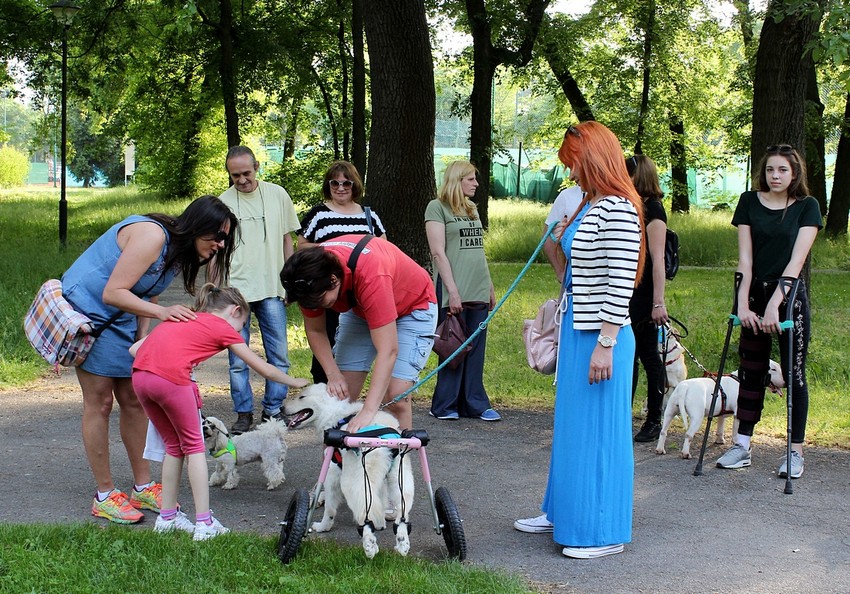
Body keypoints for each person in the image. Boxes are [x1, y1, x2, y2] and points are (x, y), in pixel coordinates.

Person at [61, 195, 237, 524]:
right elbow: (113, 291)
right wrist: (161, 314)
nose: (220, 244)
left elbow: (147, 290)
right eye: (218, 235)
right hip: (90, 316)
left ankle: (142, 486)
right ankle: (104, 494)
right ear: (198, 226)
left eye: (225, 238)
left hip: (121, 320)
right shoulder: (152, 235)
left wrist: (142, 337)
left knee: (133, 400)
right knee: (99, 402)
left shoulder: (176, 252)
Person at [514, 122, 644, 559]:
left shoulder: (619, 209)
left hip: (600, 336)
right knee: (571, 427)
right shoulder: (591, 205)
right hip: (575, 329)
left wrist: (605, 342)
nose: (570, 175)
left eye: (573, 165)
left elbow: (622, 280)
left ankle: (602, 530)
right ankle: (562, 510)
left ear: (593, 160)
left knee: (599, 434)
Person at [130, 284, 308, 540]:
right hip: (173, 382)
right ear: (235, 311)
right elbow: (264, 368)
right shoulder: (221, 326)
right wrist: (295, 383)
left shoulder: (184, 317)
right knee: (194, 448)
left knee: (173, 447)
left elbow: (134, 350)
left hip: (141, 378)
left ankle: (167, 517)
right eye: (241, 324)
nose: (238, 331)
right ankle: (205, 523)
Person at [715, 144, 822, 478]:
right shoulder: (749, 202)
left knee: (794, 374)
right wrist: (743, 304)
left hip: (789, 298)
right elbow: (745, 260)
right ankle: (742, 445)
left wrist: (775, 305)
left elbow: (795, 263)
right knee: (750, 370)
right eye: (771, 170)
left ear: (795, 174)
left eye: (783, 171)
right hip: (754, 293)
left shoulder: (807, 208)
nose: (776, 176)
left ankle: (795, 453)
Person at [280, 236, 437, 432]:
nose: (315, 307)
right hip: (360, 308)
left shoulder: (371, 273)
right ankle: (335, 461)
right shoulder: (307, 278)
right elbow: (315, 329)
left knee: (396, 397)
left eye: (319, 301)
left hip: (412, 306)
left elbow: (388, 351)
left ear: (334, 280)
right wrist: (333, 374)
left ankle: (398, 459)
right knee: (339, 394)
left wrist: (368, 410)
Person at [217, 146, 301, 435]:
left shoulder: (278, 194)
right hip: (234, 293)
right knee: (237, 359)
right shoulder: (222, 203)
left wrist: (291, 281)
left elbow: (287, 239)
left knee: (278, 355)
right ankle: (243, 414)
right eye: (235, 175)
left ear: (257, 168)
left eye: (246, 173)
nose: (241, 180)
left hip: (271, 287)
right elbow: (216, 251)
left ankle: (273, 410)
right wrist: (216, 292)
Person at [297, 161, 387, 384]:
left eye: (346, 182)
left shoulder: (369, 215)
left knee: (357, 344)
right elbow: (301, 247)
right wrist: (336, 248)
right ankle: (322, 384)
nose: (340, 187)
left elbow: (384, 249)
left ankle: (349, 388)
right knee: (326, 336)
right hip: (327, 289)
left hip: (361, 292)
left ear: (354, 184)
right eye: (334, 182)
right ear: (328, 185)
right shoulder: (319, 214)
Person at [424, 160, 499, 421]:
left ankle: (475, 404)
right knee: (453, 345)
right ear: (457, 180)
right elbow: (438, 252)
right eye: (471, 179)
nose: (476, 184)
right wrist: (452, 291)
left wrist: (488, 285)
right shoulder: (437, 207)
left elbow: (478, 250)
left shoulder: (471, 209)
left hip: (478, 286)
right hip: (453, 288)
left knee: (476, 348)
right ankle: (445, 405)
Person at [626, 155, 669, 442]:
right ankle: (622, 415)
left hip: (644, 296)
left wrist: (658, 302)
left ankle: (654, 419)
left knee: (649, 357)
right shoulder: (630, 206)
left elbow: (658, 261)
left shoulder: (653, 210)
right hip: (626, 291)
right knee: (628, 358)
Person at [542, 185, 584, 284]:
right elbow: (547, 237)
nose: (571, 176)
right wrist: (560, 273)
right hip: (573, 283)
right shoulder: (566, 196)